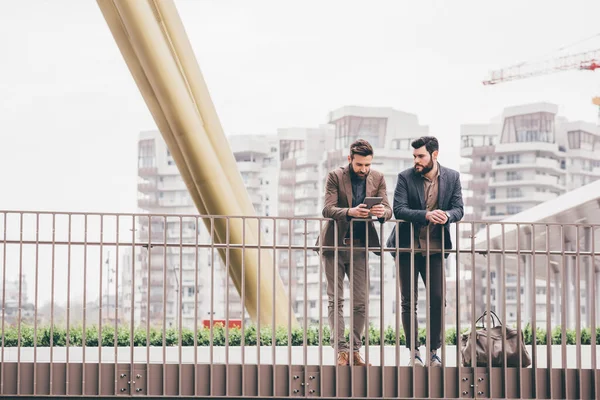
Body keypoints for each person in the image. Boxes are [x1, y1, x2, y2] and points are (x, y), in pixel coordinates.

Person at [386, 136, 464, 367]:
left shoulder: (452, 177)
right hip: (407, 249)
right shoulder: (405, 177)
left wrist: (448, 216)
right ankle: (414, 352)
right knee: (408, 301)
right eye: (414, 156)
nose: (416, 161)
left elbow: (459, 209)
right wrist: (427, 215)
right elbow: (399, 210)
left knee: (438, 300)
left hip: (436, 249)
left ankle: (433, 351)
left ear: (435, 154)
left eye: (421, 156)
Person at [317, 139, 392, 366]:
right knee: (335, 299)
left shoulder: (377, 178)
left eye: (367, 164)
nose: (364, 169)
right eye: (359, 165)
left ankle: (355, 351)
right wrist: (350, 211)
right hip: (334, 245)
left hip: (360, 246)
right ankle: (341, 351)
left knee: (360, 301)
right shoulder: (335, 176)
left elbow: (388, 211)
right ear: (350, 159)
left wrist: (381, 212)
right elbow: (327, 209)